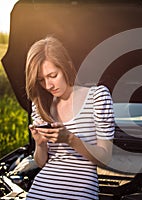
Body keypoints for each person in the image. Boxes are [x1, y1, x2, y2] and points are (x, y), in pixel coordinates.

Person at [25, 36, 114, 200]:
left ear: (66, 65)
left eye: (53, 75)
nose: (48, 85)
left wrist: (70, 138)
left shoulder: (97, 97)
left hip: (79, 192)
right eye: (41, 80)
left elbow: (105, 158)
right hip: (39, 191)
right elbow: (41, 163)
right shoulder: (41, 106)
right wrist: (40, 144)